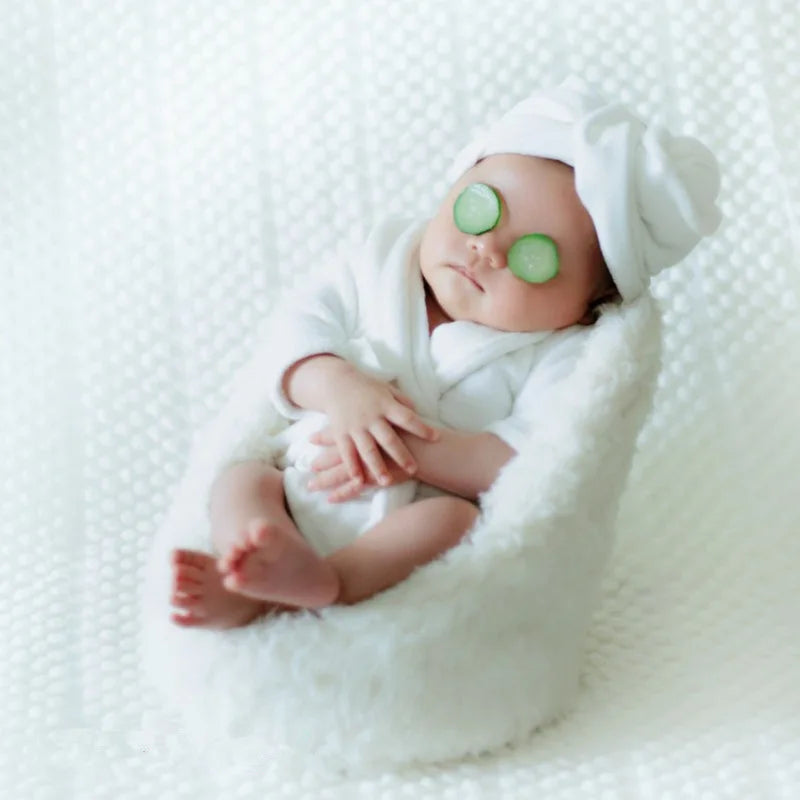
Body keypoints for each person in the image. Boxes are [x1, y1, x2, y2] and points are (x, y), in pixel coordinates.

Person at [168, 76, 721, 629]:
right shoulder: (379, 261)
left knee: (452, 522)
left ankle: (328, 580)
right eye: (480, 208)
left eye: (535, 256)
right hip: (306, 473)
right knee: (242, 480)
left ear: (584, 307)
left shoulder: (561, 352)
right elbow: (296, 331)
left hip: (412, 513)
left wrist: (409, 447)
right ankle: (254, 560)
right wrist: (340, 389)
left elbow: (529, 458)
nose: (487, 248)